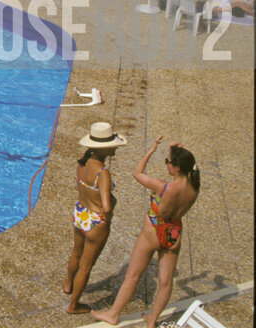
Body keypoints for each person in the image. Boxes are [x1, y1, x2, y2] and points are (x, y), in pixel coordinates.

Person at [92, 138, 200, 328]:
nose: (166, 164)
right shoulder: (194, 187)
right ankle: (152, 320)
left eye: (168, 162)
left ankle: (113, 314)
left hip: (152, 232)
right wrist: (172, 151)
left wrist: (151, 150)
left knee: (133, 275)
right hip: (173, 234)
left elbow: (137, 173)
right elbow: (191, 165)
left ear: (175, 168)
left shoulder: (163, 186)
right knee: (166, 283)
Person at [63, 122, 126, 314]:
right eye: (113, 145)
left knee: (76, 253)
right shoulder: (102, 172)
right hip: (96, 220)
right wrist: (109, 211)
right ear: (104, 148)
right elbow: (106, 205)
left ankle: (68, 283)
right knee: (86, 266)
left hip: (80, 212)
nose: (115, 147)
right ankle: (73, 305)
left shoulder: (82, 163)